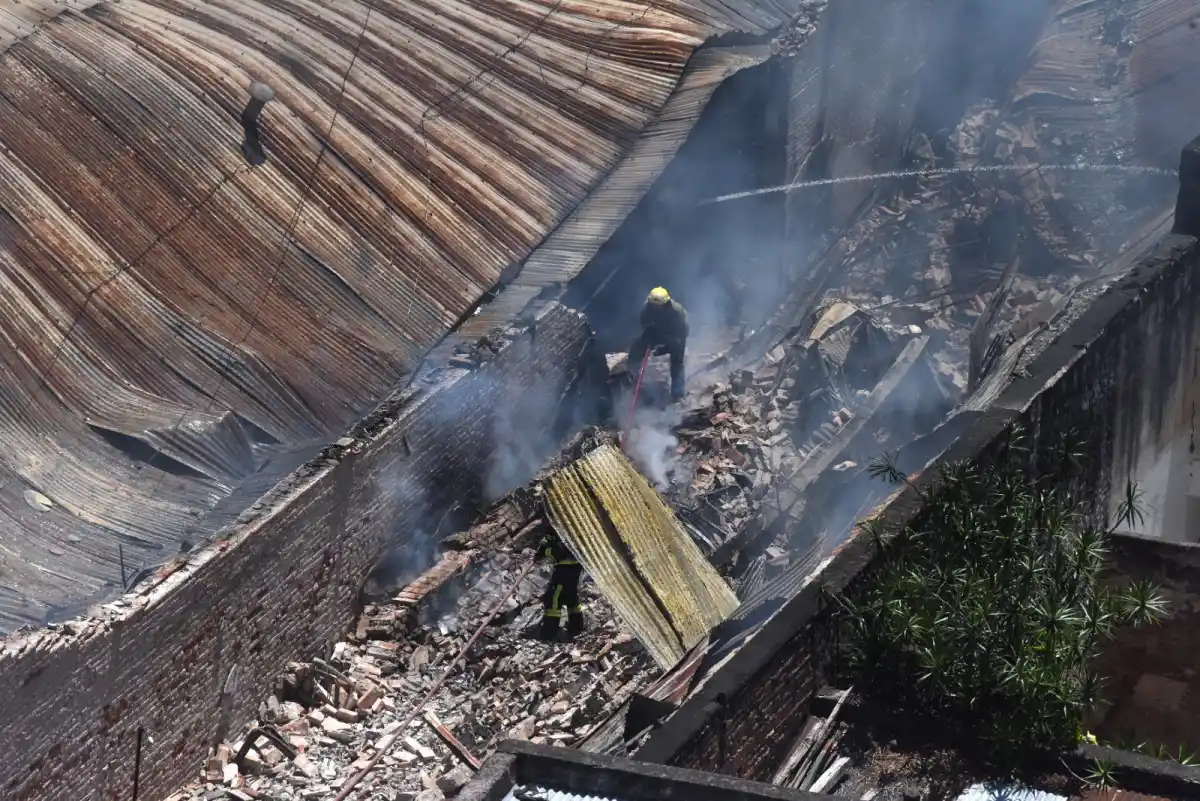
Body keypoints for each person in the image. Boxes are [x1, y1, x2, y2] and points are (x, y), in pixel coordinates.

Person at [629, 287, 688, 402]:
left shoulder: (676, 311)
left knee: (677, 362)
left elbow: (681, 331)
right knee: (637, 348)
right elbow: (644, 321)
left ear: (665, 303)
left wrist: (668, 346)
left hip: (676, 335)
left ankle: (678, 394)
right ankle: (634, 378)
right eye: (653, 304)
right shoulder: (647, 308)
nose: (655, 307)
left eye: (658, 305)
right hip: (657, 331)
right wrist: (649, 330)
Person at [539, 531, 585, 641]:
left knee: (554, 598)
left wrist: (544, 552)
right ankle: (576, 628)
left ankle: (549, 634)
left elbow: (559, 552)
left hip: (565, 569)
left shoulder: (560, 530)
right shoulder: (569, 528)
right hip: (574, 567)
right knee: (571, 597)